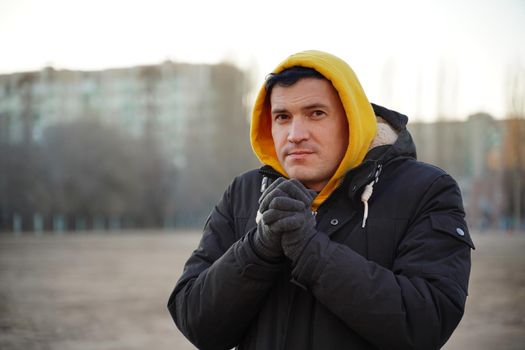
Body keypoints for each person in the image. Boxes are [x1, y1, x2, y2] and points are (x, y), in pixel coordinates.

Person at [167, 50, 474, 350]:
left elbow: (426, 323)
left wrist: (310, 251)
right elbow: (197, 323)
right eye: (282, 117)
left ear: (352, 120)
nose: (295, 134)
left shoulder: (425, 190)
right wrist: (258, 249)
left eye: (316, 113)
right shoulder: (244, 192)